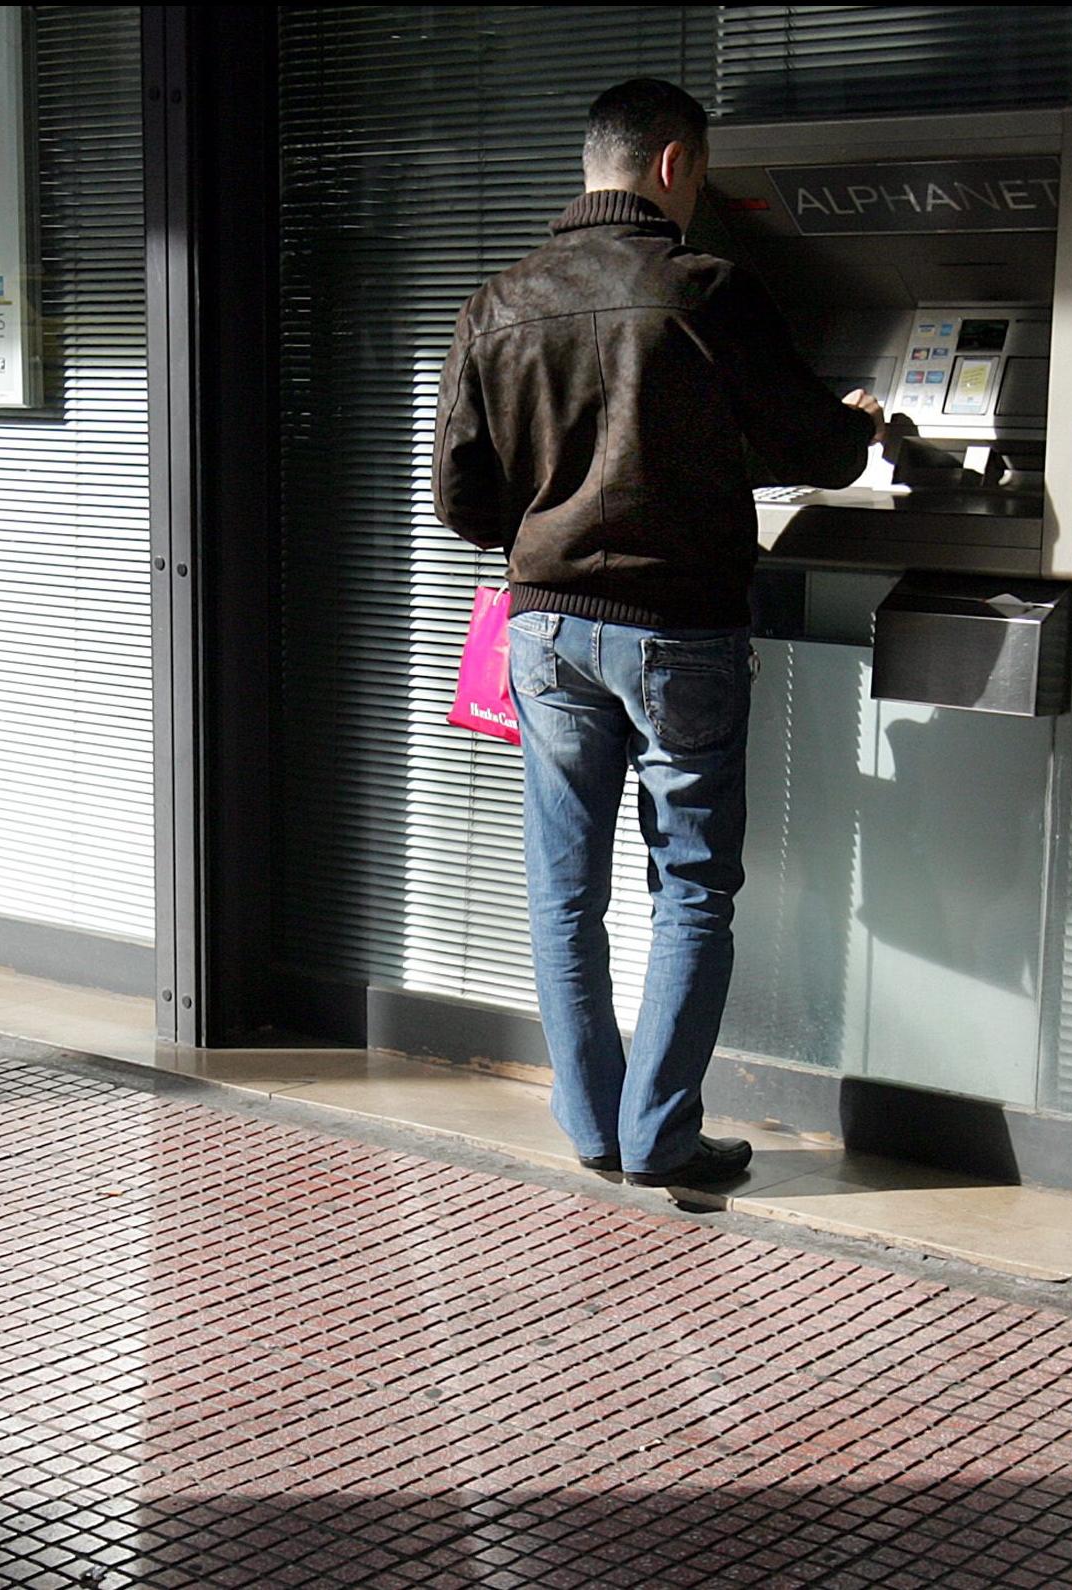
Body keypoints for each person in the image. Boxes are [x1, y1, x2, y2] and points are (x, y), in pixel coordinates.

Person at [432, 78, 884, 1190]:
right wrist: (857, 426)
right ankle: (660, 1137)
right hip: (676, 630)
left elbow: (459, 497)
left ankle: (591, 1125)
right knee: (687, 884)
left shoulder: (497, 302)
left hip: (541, 635)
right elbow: (817, 450)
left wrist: (540, 530)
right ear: (674, 166)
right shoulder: (702, 289)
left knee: (561, 889)